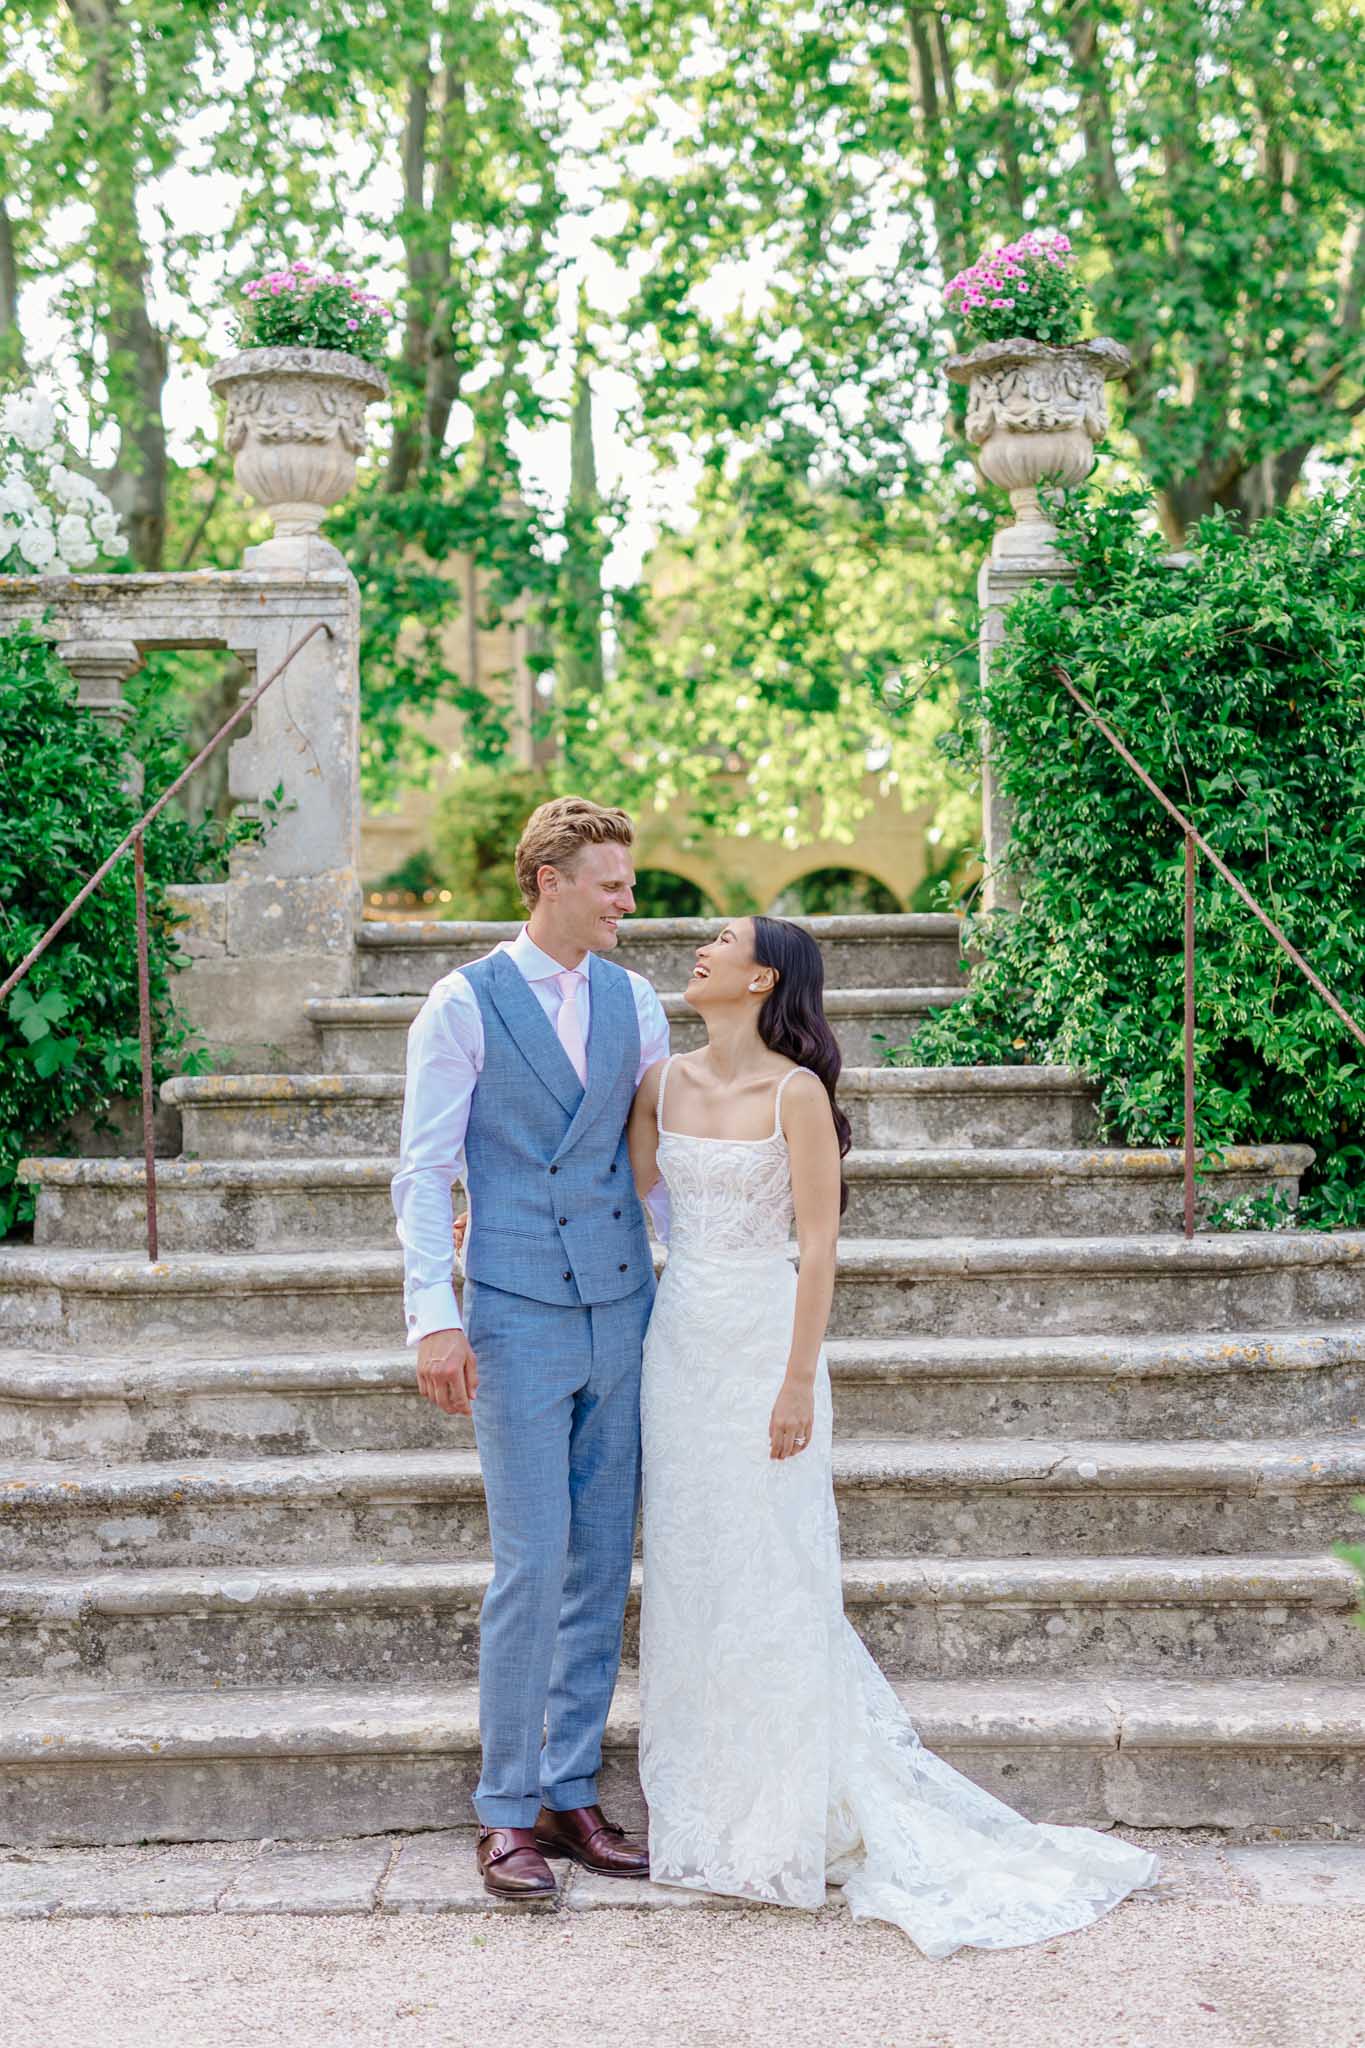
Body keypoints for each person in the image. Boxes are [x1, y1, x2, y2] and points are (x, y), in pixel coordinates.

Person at [627, 914, 1161, 1957]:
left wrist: (793, 1381)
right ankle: (704, 1805)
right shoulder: (660, 1082)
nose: (700, 946)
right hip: (677, 1340)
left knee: (777, 1570)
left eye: (723, 938)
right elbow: (627, 1200)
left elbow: (819, 1248)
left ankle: (783, 1813)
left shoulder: (798, 1094)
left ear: (764, 974)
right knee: (693, 1568)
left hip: (763, 1343)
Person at [392, 797, 668, 1900]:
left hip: (622, 1304)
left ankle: (569, 1787)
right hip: (509, 1305)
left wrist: (693, 1281)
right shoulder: (461, 1002)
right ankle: (505, 1808)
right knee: (530, 1561)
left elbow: (651, 1162)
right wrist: (433, 1313)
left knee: (603, 1562)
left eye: (628, 881)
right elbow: (424, 1172)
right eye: (611, 881)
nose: (627, 901)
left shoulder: (635, 997)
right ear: (549, 877)